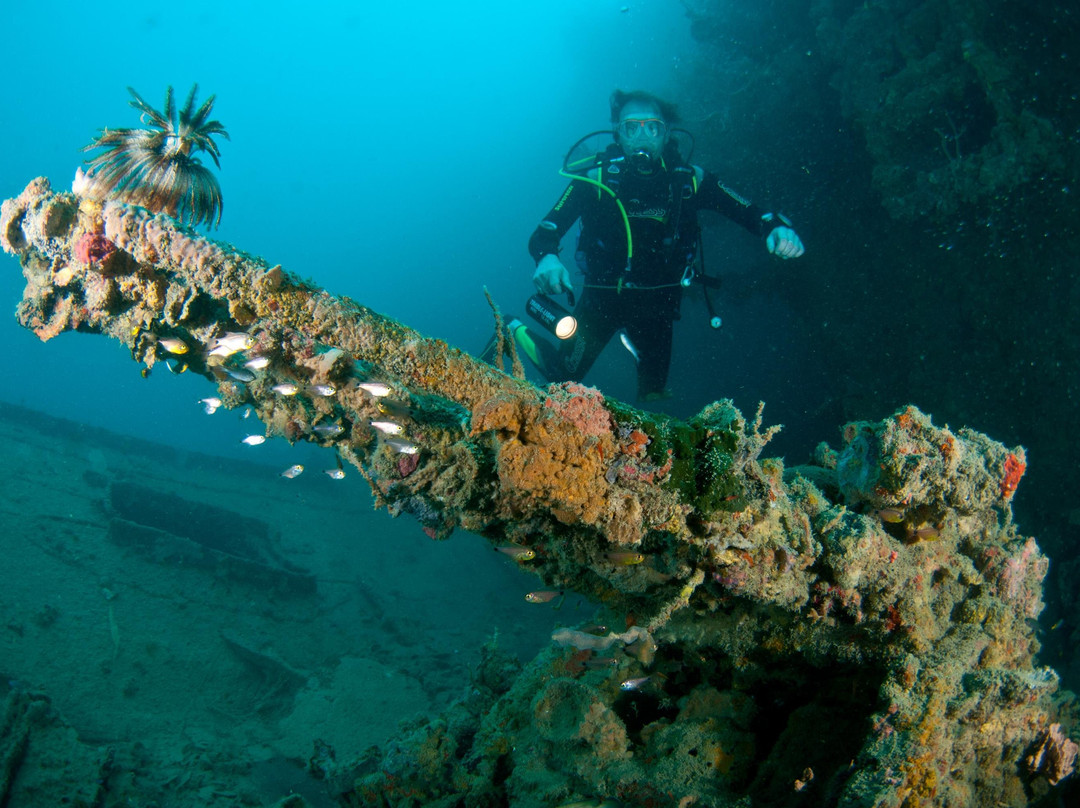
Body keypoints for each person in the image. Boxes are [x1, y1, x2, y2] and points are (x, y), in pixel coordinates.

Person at [502, 89, 805, 402]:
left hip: (659, 305)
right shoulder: (596, 179)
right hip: (602, 298)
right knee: (562, 378)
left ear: (667, 134)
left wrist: (775, 228)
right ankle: (513, 329)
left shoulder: (689, 180)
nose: (641, 137)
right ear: (618, 134)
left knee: (654, 394)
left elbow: (749, 210)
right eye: (631, 127)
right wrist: (547, 257)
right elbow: (544, 232)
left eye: (653, 127)